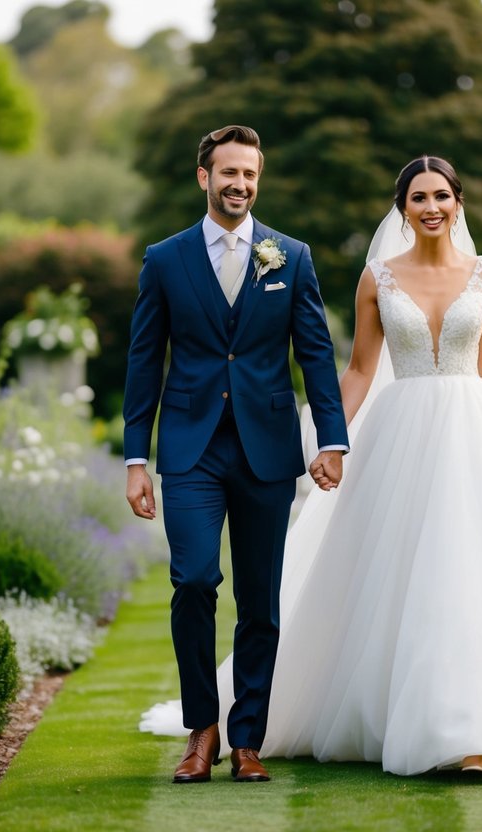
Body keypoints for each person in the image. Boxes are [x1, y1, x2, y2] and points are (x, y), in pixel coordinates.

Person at [141, 155, 482, 776]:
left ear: (458, 203)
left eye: (441, 196)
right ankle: (392, 714)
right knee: (399, 578)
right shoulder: (378, 277)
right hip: (401, 436)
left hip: (475, 436)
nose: (431, 207)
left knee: (478, 572)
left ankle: (477, 729)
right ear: (402, 208)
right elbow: (360, 370)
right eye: (418, 197)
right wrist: (328, 440)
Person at [122, 125, 349, 784]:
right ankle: (203, 730)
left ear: (258, 178)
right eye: (228, 174)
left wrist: (330, 440)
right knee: (192, 582)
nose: (239, 185)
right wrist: (136, 457)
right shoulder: (164, 260)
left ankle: (248, 737)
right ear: (204, 177)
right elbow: (143, 361)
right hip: (190, 450)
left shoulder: (290, 257)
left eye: (249, 175)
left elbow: (315, 353)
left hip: (267, 450)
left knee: (260, 601)